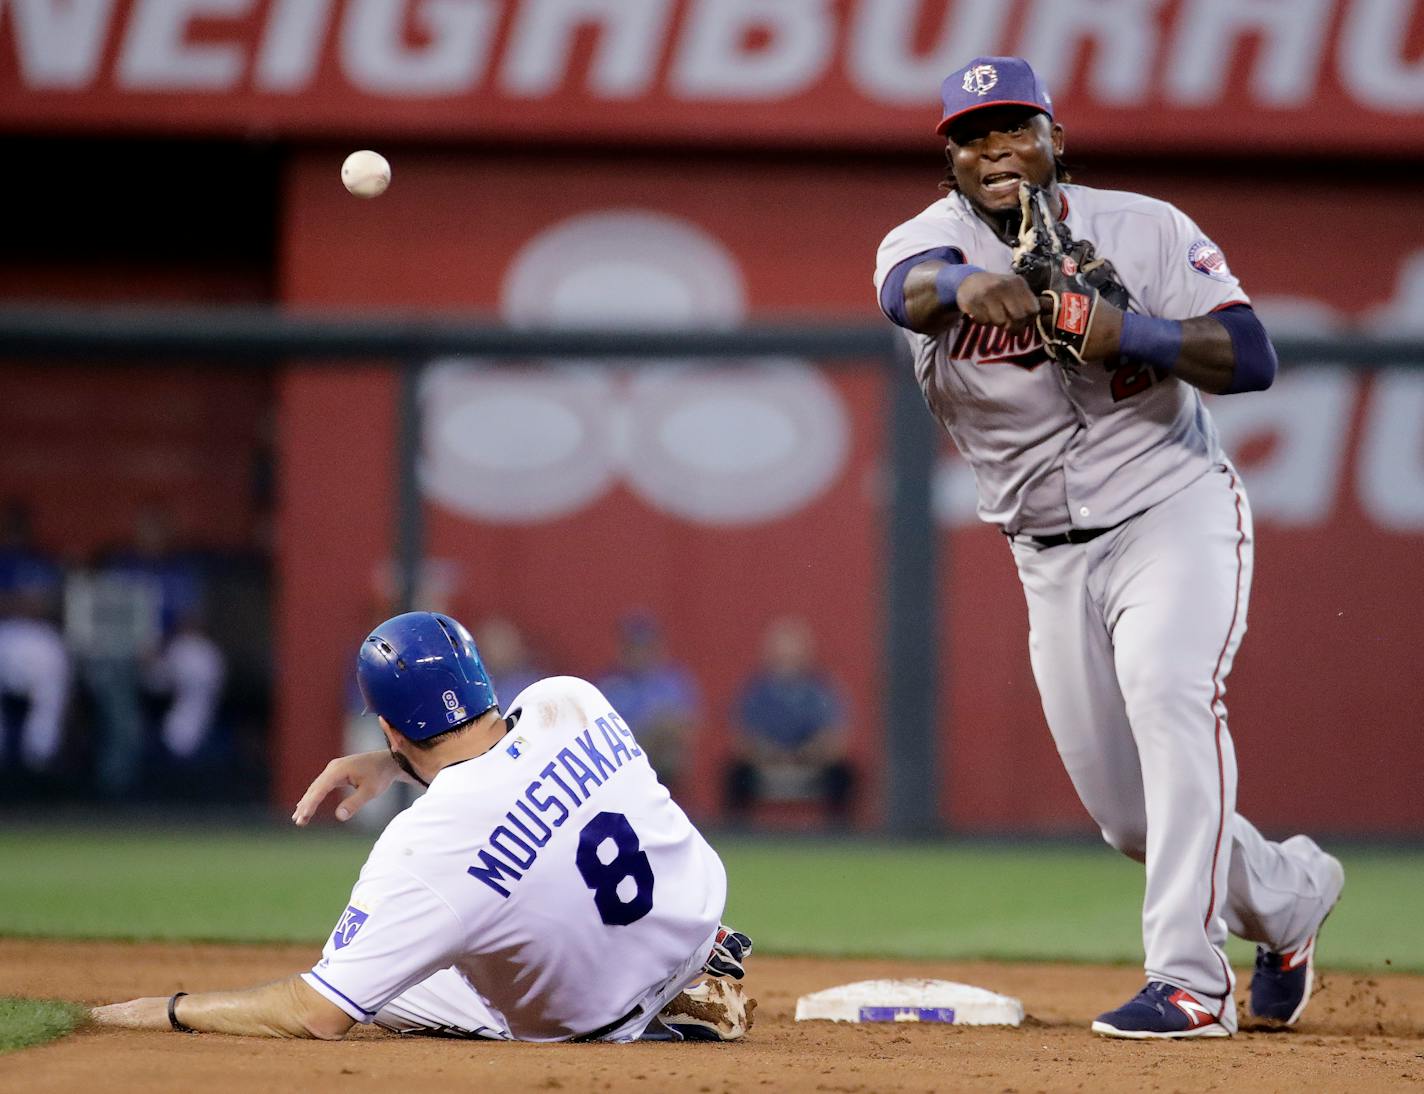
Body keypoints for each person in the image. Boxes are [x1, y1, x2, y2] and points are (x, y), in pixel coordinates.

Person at [873, 56, 1343, 1039]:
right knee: (1127, 819)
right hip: (1044, 553)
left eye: (1013, 127)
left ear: (1054, 138)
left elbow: (1248, 355)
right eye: (971, 135)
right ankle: (1290, 897)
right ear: (948, 160)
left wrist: (1130, 332)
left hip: (1171, 507)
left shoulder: (1143, 225)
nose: (993, 149)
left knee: (1172, 697)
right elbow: (904, 291)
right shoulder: (924, 242)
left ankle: (1188, 979)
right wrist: (971, 287)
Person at [92, 611, 754, 1043]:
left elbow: (316, 1012)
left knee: (369, 976)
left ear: (386, 724)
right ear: (482, 679)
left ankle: (653, 1014)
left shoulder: (420, 844)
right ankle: (693, 976)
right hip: (693, 924)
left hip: (596, 1020)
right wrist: (400, 763)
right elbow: (507, 766)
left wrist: (173, 1007)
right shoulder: (570, 698)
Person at [724, 617, 854, 827]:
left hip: (812, 765)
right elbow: (741, 738)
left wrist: (809, 754)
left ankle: (838, 835)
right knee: (735, 775)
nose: (788, 657)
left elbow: (835, 737)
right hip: (764, 765)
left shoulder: (821, 691)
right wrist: (768, 754)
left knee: (843, 775)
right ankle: (738, 833)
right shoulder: (755, 692)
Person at [595, 613, 699, 794]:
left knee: (668, 744)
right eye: (633, 647)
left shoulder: (673, 681)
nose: (639, 653)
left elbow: (690, 725)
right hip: (618, 757)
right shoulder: (609, 683)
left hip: (660, 757)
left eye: (644, 647)